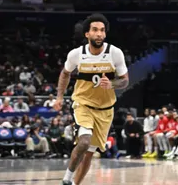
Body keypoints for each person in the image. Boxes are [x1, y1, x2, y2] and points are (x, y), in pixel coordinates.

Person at [55, 14, 129, 185]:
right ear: (87, 34)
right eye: (95, 30)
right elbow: (65, 73)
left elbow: (125, 80)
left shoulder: (115, 53)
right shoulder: (77, 54)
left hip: (105, 109)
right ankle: (67, 178)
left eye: (102, 30)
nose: (99, 34)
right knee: (84, 141)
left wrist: (112, 84)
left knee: (89, 153)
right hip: (83, 104)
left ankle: (74, 184)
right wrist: (59, 97)